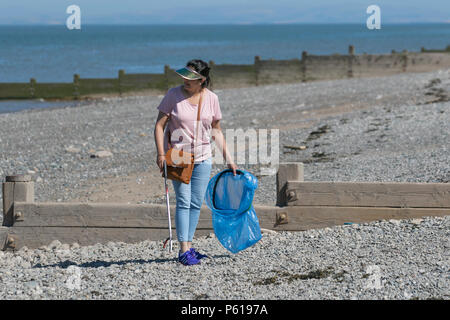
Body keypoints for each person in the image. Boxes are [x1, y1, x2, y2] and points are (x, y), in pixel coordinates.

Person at [154, 59, 237, 266]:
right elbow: (159, 125)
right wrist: (161, 154)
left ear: (202, 80)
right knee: (183, 201)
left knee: (196, 203)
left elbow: (216, 130)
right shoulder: (173, 95)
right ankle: (183, 250)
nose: (184, 80)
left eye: (190, 77)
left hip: (204, 157)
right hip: (178, 156)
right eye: (183, 75)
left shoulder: (212, 99)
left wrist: (229, 159)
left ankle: (189, 247)